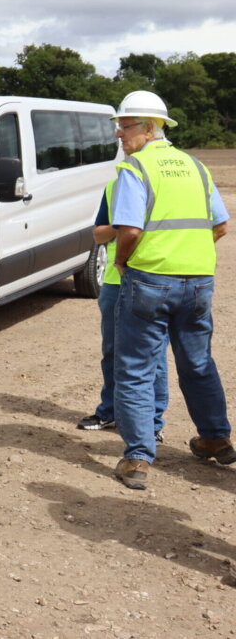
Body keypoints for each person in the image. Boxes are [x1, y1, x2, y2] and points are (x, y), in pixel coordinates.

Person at [109, 90, 232, 489]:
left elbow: (128, 230)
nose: (119, 134)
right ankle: (215, 438)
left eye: (125, 126)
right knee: (197, 363)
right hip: (197, 282)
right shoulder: (195, 167)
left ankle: (138, 459)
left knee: (135, 370)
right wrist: (186, 257)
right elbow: (220, 225)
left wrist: (122, 261)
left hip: (149, 280)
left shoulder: (135, 168)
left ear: (149, 128)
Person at [76, 175, 168, 441]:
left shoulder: (164, 183)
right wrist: (124, 226)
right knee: (113, 351)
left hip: (153, 279)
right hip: (115, 282)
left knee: (155, 356)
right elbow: (99, 233)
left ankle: (153, 423)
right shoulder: (115, 185)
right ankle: (111, 412)